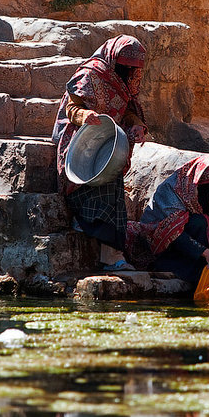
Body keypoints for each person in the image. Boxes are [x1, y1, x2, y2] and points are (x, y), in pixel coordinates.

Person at [52, 34, 149, 271]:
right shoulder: (90, 74)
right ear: (113, 58)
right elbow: (71, 108)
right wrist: (86, 116)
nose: (129, 71)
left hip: (107, 143)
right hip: (79, 140)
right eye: (124, 66)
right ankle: (89, 227)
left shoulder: (128, 79)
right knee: (105, 183)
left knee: (113, 179)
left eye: (133, 68)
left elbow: (127, 112)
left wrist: (136, 125)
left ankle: (112, 254)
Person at [128, 156, 209, 286]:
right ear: (199, 183)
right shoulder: (172, 192)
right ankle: (194, 269)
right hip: (165, 244)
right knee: (200, 221)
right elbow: (173, 234)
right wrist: (206, 253)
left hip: (196, 239)